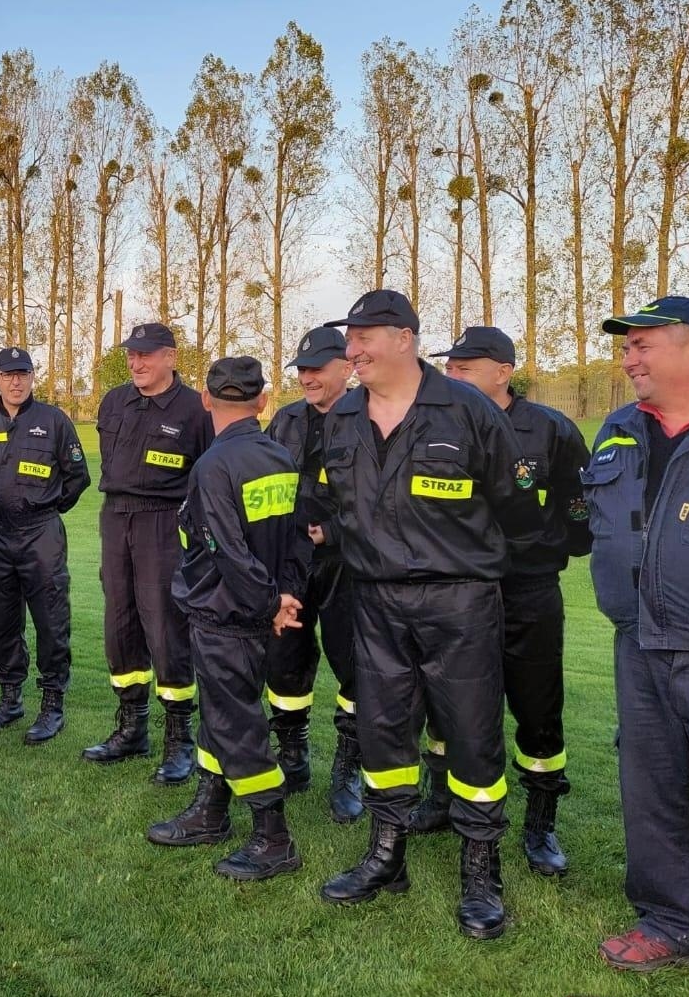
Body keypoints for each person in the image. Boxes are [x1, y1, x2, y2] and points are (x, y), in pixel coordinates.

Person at [314, 290, 538, 942]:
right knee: (383, 731)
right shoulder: (343, 416)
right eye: (348, 338)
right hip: (376, 601)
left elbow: (517, 509)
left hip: (460, 601)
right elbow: (340, 505)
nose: (350, 350)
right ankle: (387, 856)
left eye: (363, 338)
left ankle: (480, 870)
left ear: (404, 338)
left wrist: (483, 575)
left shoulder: (465, 409)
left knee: (471, 735)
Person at [582, 297, 689, 971]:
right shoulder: (616, 428)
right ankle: (672, 924)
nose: (627, 359)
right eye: (626, 347)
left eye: (642, 346)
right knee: (658, 791)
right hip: (638, 645)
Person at [422, 326, 591, 877]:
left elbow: (579, 503)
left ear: (503, 370)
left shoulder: (551, 430)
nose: (454, 373)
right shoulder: (434, 424)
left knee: (537, 706)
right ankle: (443, 798)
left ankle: (541, 820)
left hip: (527, 589)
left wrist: (550, 550)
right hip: (456, 588)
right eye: (451, 365)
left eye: (466, 366)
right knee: (446, 702)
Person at [146, 357, 309, 882]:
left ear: (207, 401)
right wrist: (285, 596)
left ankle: (273, 836)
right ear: (263, 402)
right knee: (222, 716)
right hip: (258, 612)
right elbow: (295, 538)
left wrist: (266, 602)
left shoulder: (213, 466)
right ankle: (211, 810)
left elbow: (224, 549)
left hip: (226, 613)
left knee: (237, 724)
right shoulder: (282, 457)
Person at [85, 322, 215, 784]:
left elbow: (208, 473)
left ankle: (179, 739)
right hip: (115, 516)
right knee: (119, 626)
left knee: (165, 626)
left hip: (162, 521)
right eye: (132, 355)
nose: (136, 363)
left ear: (171, 357)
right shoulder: (114, 400)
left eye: (147, 355)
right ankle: (130, 728)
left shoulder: (194, 410)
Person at [264, 327, 362, 821]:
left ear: (347, 367)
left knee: (354, 665)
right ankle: (293, 755)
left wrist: (336, 532)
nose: (307, 377)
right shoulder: (284, 421)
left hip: (349, 565)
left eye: (317, 368)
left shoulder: (372, 419)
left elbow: (390, 499)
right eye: (301, 369)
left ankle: (347, 770)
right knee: (284, 660)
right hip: (290, 563)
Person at [0, 347, 90, 744]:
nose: (16, 381)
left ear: (33, 377)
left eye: (23, 373)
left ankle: (52, 704)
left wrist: (48, 509)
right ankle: (10, 699)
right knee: (2, 621)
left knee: (51, 621)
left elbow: (77, 478)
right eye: (8, 374)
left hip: (41, 534)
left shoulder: (54, 420)